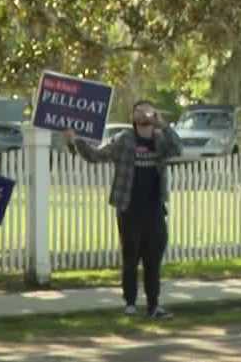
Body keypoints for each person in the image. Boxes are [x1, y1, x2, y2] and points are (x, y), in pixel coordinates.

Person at [64, 100, 183, 320]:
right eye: (139, 110)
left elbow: (178, 148)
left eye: (148, 110)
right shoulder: (124, 140)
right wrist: (75, 141)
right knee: (131, 257)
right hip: (129, 208)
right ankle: (130, 303)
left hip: (155, 209)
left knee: (153, 260)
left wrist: (163, 125)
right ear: (133, 117)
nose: (144, 113)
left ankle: (153, 306)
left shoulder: (161, 140)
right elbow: (95, 155)